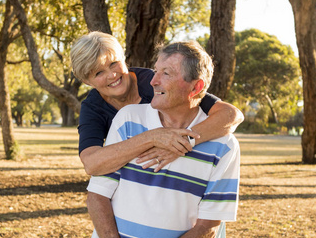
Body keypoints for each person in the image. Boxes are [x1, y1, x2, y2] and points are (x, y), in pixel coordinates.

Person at [80, 41, 240, 238]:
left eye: (166, 73)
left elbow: (208, 228)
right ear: (88, 81)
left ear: (195, 88)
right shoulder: (125, 119)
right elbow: (95, 183)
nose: (153, 81)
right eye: (98, 73)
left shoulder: (224, 146)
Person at [70, 32, 243, 175]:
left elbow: (231, 115)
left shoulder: (155, 82)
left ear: (124, 59)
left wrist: (182, 142)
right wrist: (153, 137)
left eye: (114, 63)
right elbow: (92, 164)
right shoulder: (92, 107)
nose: (112, 75)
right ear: (87, 81)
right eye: (99, 72)